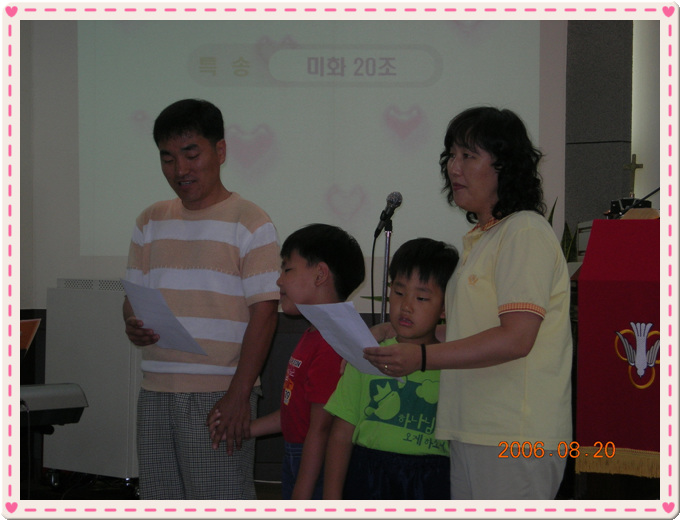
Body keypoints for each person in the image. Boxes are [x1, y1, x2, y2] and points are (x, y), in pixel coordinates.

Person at [364, 106, 573, 500]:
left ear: (505, 166)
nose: (453, 168)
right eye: (451, 156)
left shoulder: (525, 231)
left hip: (515, 434)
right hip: (473, 428)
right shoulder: (484, 237)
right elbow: (471, 332)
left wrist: (421, 358)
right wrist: (395, 333)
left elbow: (516, 338)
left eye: (468, 156)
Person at [122, 99, 280, 500]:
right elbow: (133, 298)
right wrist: (132, 323)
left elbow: (265, 314)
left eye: (191, 154)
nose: (180, 170)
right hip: (156, 389)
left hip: (219, 392)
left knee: (219, 500)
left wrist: (239, 394)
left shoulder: (250, 221)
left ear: (220, 151)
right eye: (168, 158)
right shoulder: (149, 220)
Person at [210, 223, 365, 500]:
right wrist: (245, 429)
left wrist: (301, 493)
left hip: (315, 464)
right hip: (299, 456)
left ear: (320, 275)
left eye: (287, 269)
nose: (279, 281)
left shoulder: (331, 344)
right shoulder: (313, 335)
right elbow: (295, 415)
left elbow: (320, 430)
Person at [323, 238, 459, 500]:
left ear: (444, 307)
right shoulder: (368, 356)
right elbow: (341, 434)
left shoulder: (453, 362)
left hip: (432, 480)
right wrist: (331, 499)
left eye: (421, 297)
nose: (406, 306)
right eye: (398, 292)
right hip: (368, 475)